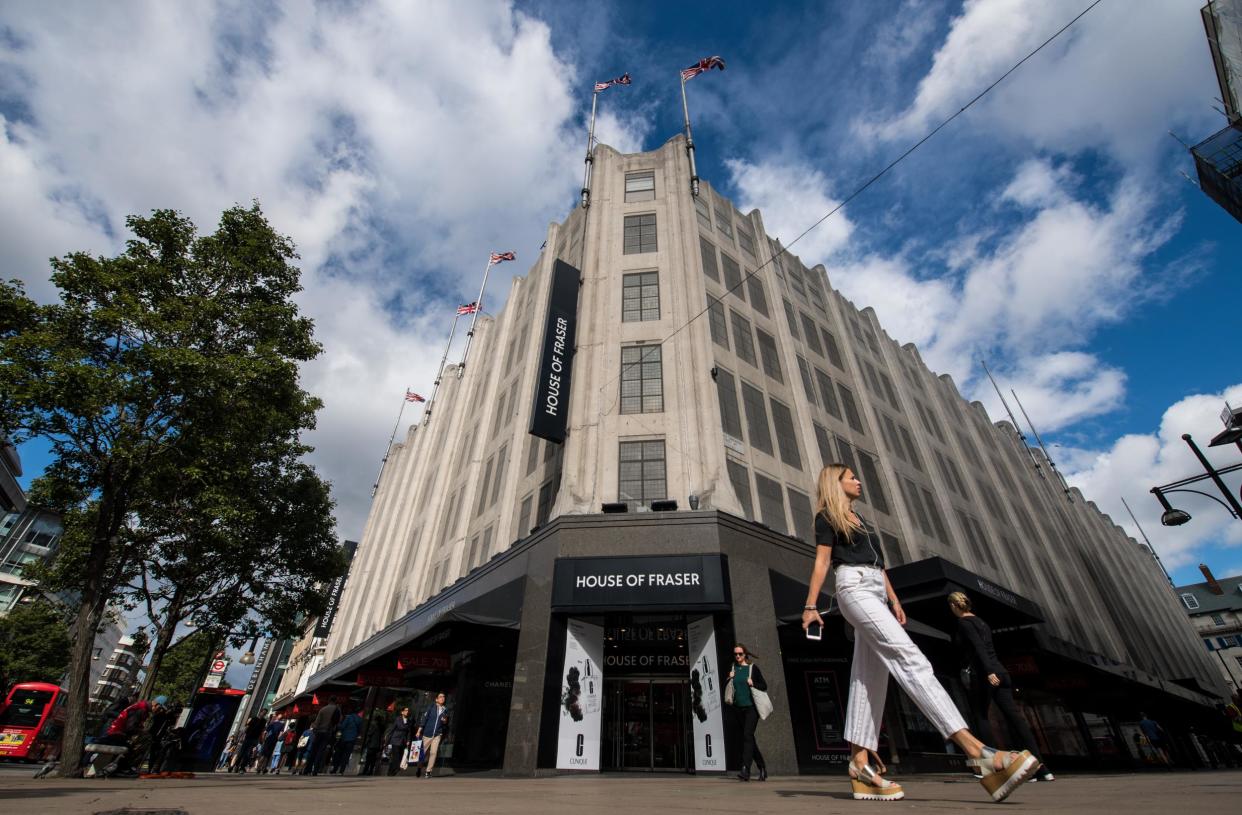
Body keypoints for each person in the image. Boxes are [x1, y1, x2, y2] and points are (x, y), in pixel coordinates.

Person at [802, 465, 1038, 803]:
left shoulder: (861, 521)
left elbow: (879, 567)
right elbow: (823, 563)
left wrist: (894, 599)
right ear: (835, 483)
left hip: (875, 592)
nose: (858, 480)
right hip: (852, 588)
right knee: (909, 657)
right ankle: (980, 754)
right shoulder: (827, 518)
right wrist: (811, 607)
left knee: (868, 678)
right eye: (851, 477)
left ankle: (859, 766)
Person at [948, 591, 1054, 782]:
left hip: (984, 674)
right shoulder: (981, 622)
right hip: (1001, 671)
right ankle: (1040, 767)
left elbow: (978, 647)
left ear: (954, 606)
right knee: (1015, 718)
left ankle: (988, 765)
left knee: (980, 716)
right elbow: (988, 647)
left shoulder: (963, 623)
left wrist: (989, 672)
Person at [725, 644, 768, 782]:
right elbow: (729, 689)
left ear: (745, 654)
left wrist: (752, 683)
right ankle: (762, 767)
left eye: (740, 654)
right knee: (749, 739)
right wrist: (729, 678)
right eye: (735, 654)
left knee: (747, 736)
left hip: (751, 708)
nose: (737, 656)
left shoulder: (752, 668)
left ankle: (745, 769)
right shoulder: (733, 668)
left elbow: (764, 686)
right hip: (738, 708)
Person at [96, 696, 167, 776]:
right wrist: (141, 731)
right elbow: (130, 727)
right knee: (147, 738)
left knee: (142, 738)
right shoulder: (141, 709)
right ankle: (123, 767)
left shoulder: (143, 708)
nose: (160, 711)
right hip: (115, 734)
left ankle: (122, 766)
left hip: (117, 733)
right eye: (160, 708)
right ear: (156, 704)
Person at [303, 699, 342, 775]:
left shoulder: (323, 709)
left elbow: (317, 721)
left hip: (318, 732)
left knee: (313, 751)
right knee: (320, 752)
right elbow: (339, 721)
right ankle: (315, 770)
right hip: (328, 732)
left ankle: (307, 769)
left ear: (329, 701)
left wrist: (314, 730)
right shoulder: (337, 709)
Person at [415, 693, 449, 778]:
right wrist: (419, 730)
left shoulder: (445, 709)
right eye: (440, 697)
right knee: (422, 753)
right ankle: (419, 768)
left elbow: (445, 722)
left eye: (444, 697)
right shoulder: (431, 707)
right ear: (436, 699)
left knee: (433, 753)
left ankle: (428, 771)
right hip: (427, 733)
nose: (442, 698)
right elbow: (424, 718)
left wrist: (444, 721)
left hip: (437, 734)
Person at [332, 706, 364, 774]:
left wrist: (338, 726)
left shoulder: (348, 717)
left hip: (344, 738)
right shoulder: (360, 720)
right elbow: (360, 730)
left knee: (339, 753)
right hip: (352, 739)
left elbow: (342, 727)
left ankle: (335, 769)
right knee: (346, 755)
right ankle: (342, 770)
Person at [234, 708, 268, 772]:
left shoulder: (264, 721)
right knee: (242, 752)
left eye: (265, 713)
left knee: (248, 753)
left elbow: (262, 731)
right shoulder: (253, 719)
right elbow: (246, 727)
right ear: (260, 712)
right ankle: (236, 765)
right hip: (247, 737)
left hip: (254, 739)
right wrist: (241, 736)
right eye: (263, 712)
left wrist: (261, 739)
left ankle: (242, 767)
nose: (263, 714)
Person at [384, 706, 414, 776]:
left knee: (399, 755)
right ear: (402, 712)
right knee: (396, 755)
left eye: (408, 711)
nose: (407, 712)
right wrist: (387, 736)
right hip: (395, 739)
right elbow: (393, 728)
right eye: (406, 710)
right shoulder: (398, 719)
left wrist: (408, 740)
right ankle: (397, 768)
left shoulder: (409, 721)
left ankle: (391, 772)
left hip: (403, 740)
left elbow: (409, 732)